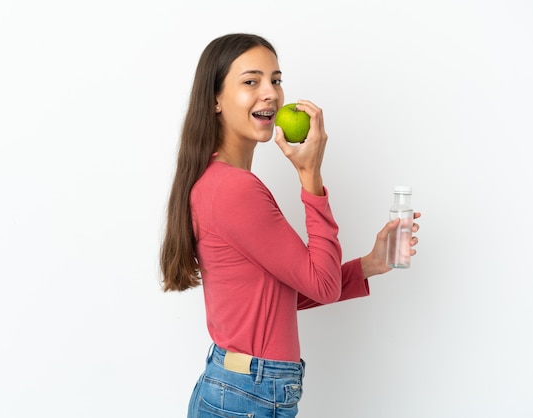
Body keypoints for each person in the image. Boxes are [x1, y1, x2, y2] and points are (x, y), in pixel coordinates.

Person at [160, 33, 421, 418]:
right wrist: (310, 177)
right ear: (215, 99)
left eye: (276, 80)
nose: (271, 93)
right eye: (251, 81)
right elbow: (322, 284)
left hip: (237, 387)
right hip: (249, 395)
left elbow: (278, 298)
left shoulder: (217, 181)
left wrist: (368, 265)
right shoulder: (233, 188)